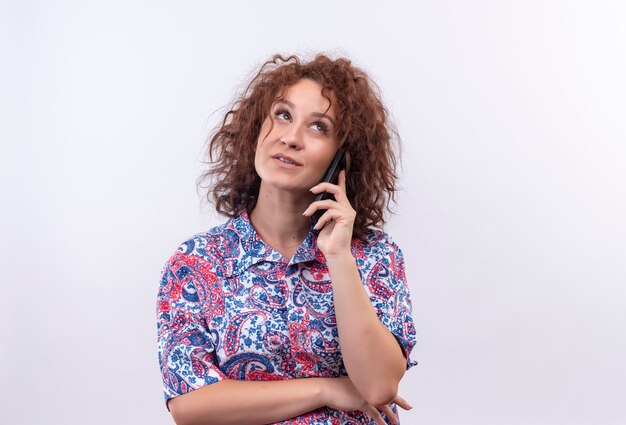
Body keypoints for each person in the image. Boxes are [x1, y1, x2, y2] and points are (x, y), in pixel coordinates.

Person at [156, 53, 418, 425]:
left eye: (319, 128)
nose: (290, 138)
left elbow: (378, 387)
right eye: (283, 115)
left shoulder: (375, 256)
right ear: (255, 130)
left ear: (343, 158)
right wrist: (327, 389)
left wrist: (339, 256)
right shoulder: (197, 262)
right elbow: (190, 406)